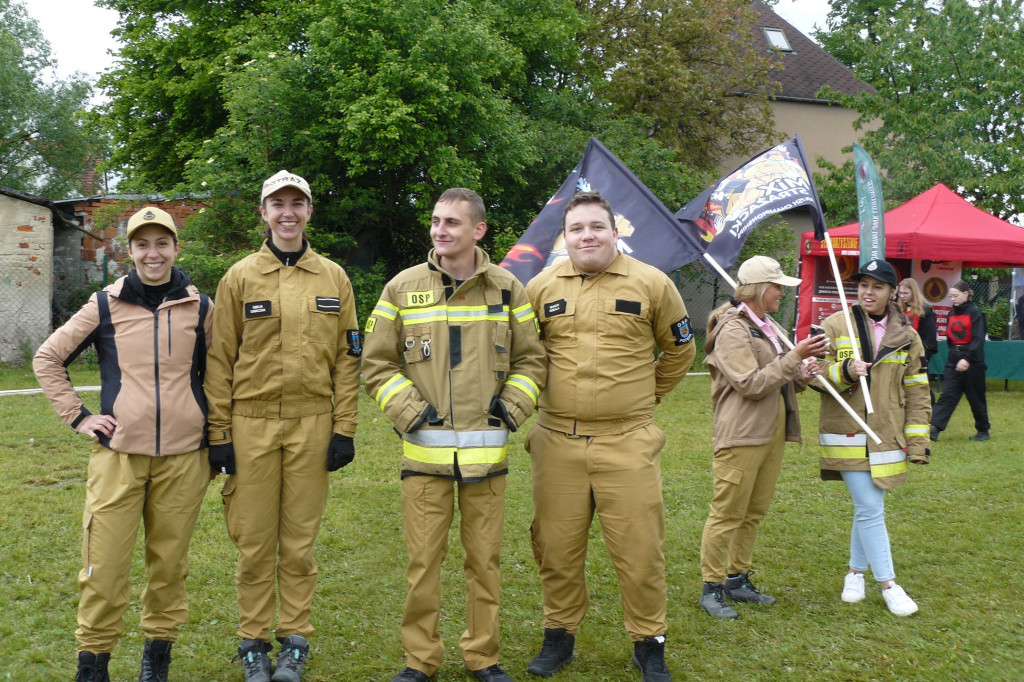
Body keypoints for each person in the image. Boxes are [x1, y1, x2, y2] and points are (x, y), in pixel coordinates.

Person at [361, 188, 546, 682]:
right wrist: (411, 412)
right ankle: (420, 661)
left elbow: (532, 359)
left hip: (487, 462)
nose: (440, 231)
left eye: (452, 223)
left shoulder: (509, 288)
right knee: (423, 567)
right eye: (436, 221)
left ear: (478, 231)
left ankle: (483, 657)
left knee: (484, 564)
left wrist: (510, 409)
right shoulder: (402, 288)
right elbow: (376, 364)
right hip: (424, 461)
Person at [33, 206, 213, 682]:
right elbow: (48, 357)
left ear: (176, 247)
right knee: (104, 566)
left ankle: (157, 661)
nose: (152, 254)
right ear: (128, 251)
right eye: (142, 244)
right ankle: (93, 664)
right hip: (119, 458)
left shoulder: (202, 307)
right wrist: (79, 416)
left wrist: (219, 439)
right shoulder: (105, 304)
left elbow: (224, 376)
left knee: (168, 567)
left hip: (185, 459)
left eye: (162, 243)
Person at [523, 191, 695, 682]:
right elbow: (525, 355)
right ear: (565, 236)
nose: (587, 236)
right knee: (556, 548)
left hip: (628, 440)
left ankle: (649, 641)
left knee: (641, 550)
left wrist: (646, 398)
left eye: (597, 226)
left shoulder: (653, 284)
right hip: (556, 439)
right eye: (577, 228)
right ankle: (559, 634)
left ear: (615, 231)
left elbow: (681, 349)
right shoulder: (539, 287)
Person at [204, 170, 362, 682]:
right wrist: (219, 435)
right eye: (278, 204)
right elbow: (219, 360)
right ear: (264, 213)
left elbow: (348, 359)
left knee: (298, 541)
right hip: (250, 424)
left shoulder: (334, 278)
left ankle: (294, 638)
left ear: (310, 212)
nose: (288, 212)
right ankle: (253, 641)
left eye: (298, 203)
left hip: (312, 423)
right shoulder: (239, 277)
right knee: (253, 541)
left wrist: (344, 428)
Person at [698, 256, 828, 620]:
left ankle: (737, 579)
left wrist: (801, 372)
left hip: (769, 432)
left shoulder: (764, 325)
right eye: (777, 288)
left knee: (753, 512)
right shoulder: (732, 329)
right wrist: (793, 359)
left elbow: (775, 378)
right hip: (741, 434)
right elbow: (750, 384)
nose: (782, 295)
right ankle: (711, 588)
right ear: (758, 289)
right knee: (727, 513)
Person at [816, 259, 930, 617]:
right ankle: (889, 585)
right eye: (863, 284)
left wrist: (917, 442)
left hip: (886, 435)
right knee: (869, 507)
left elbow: (917, 392)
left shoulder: (908, 337)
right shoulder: (834, 325)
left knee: (869, 508)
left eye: (877, 286)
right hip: (845, 431)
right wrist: (845, 371)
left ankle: (854, 573)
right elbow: (812, 374)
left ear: (892, 292)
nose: (867, 291)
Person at [930, 280, 990, 441]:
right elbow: (950, 339)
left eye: (956, 296)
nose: (953, 299)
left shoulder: (976, 313)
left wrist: (968, 359)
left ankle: (983, 431)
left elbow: (978, 339)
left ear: (966, 294)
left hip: (973, 361)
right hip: (953, 359)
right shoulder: (951, 314)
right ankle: (934, 427)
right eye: (951, 297)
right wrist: (954, 355)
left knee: (975, 397)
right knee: (948, 394)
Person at [897, 278, 938, 400]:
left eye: (906, 293)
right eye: (901, 293)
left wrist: (923, 358)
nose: (902, 296)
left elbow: (930, 340)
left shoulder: (925, 310)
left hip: (919, 355)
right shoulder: (899, 309)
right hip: (901, 355)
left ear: (914, 292)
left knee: (921, 390)